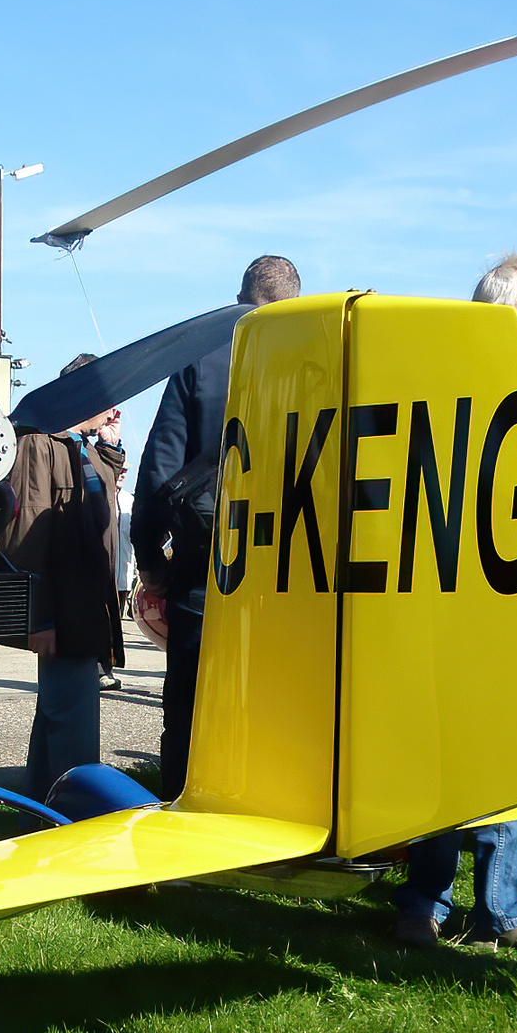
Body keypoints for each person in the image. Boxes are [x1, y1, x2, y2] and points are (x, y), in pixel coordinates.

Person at [391, 252, 517, 955]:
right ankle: (434, 900)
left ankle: (499, 907)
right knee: (445, 759)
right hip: (448, 613)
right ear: (502, 314)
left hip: (510, 618)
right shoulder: (444, 393)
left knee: (512, 759)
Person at [131, 254, 301, 799]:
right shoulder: (312, 358)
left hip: (206, 561)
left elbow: (159, 468)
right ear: (293, 302)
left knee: (188, 701)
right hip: (289, 565)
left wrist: (153, 564)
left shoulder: (198, 359)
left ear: (240, 295)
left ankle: (183, 810)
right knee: (278, 698)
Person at [0, 353, 125, 808]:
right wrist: (39, 617)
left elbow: (102, 510)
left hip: (85, 606)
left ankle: (37, 819)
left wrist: (110, 448)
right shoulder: (37, 443)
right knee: (73, 731)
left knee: (58, 721)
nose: (115, 410)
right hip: (61, 609)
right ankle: (75, 824)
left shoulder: (80, 445)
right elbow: (25, 533)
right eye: (107, 400)